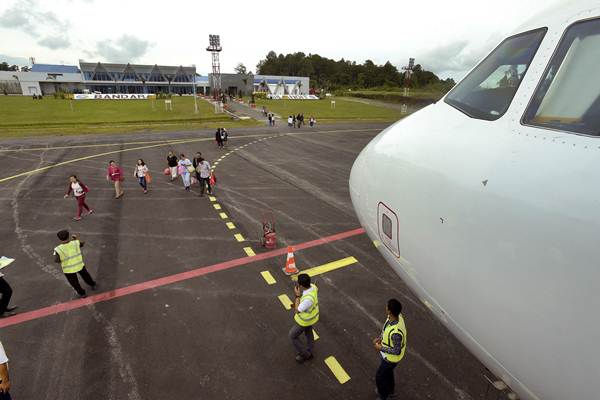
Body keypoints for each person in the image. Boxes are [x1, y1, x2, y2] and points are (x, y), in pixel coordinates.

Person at [373, 299, 407, 400]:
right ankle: (391, 391)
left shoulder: (396, 333)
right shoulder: (397, 317)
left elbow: (397, 351)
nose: (385, 307)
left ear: (389, 311)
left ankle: (384, 396)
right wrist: (380, 338)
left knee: (379, 377)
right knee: (388, 373)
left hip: (390, 359)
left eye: (387, 307)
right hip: (387, 357)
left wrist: (380, 348)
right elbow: (385, 330)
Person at [54, 230, 97, 298]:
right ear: (68, 236)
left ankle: (82, 293)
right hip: (79, 265)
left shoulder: (58, 249)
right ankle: (93, 285)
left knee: (74, 282)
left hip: (68, 269)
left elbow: (57, 260)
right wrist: (75, 239)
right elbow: (81, 244)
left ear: (59, 239)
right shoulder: (75, 243)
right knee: (86, 276)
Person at [288, 273, 319, 363]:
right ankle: (310, 348)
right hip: (312, 318)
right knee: (308, 332)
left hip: (304, 321)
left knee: (292, 336)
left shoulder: (307, 299)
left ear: (301, 285)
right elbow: (317, 289)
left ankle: (306, 354)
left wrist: (297, 296)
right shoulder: (313, 287)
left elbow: (297, 311)